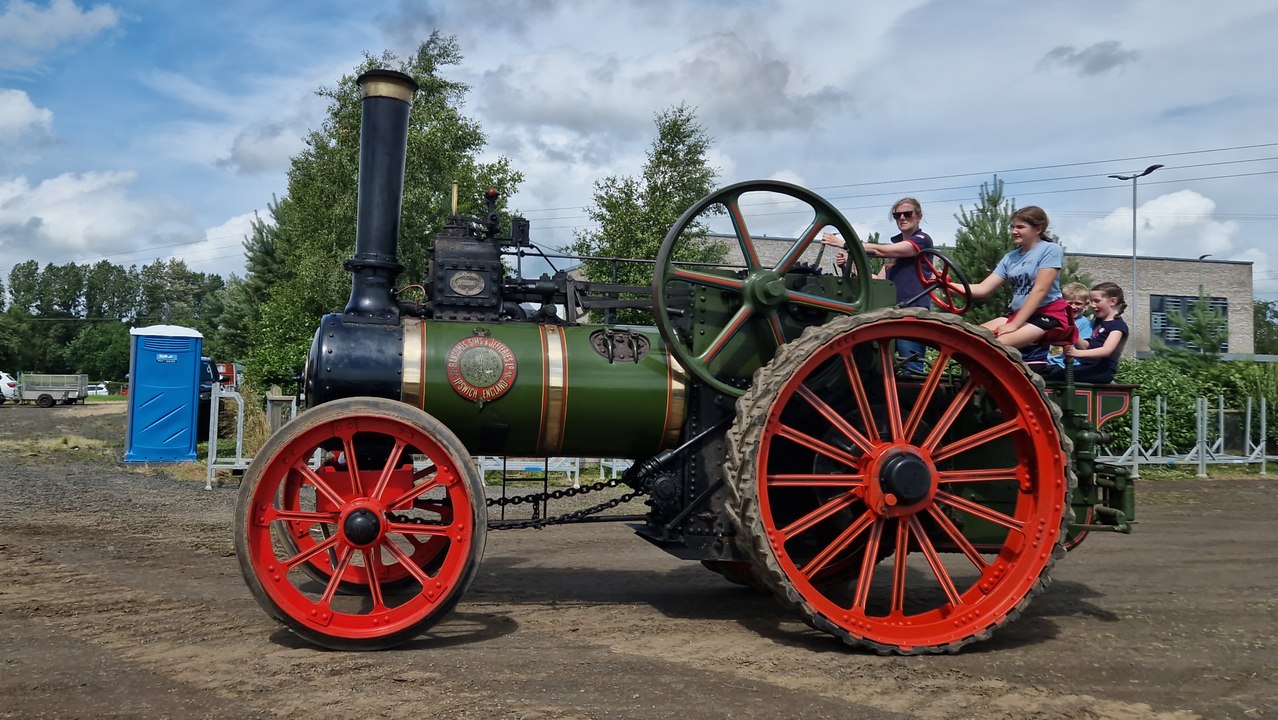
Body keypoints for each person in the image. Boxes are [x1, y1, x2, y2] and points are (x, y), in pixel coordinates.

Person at [822, 197, 933, 374]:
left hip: (912, 314)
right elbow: (879, 281)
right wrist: (849, 267)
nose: (902, 218)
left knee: (911, 369)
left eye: (907, 214)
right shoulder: (895, 255)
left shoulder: (921, 240)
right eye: (897, 215)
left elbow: (880, 250)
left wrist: (844, 243)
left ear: (919, 216)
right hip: (892, 315)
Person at [958, 206, 1071, 350]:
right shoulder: (1010, 258)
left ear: (1038, 229)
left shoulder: (1050, 249)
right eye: (1012, 227)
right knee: (966, 339)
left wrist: (1015, 324)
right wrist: (945, 284)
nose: (1014, 231)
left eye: (1020, 227)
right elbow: (982, 289)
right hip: (1020, 315)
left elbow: (1040, 290)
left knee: (991, 348)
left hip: (1047, 314)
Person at [1046, 282, 1129, 384]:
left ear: (1113, 301)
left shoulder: (1118, 326)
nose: (1092, 305)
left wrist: (1077, 353)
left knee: (1054, 376)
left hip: (1101, 371)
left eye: (1097, 301)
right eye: (1092, 301)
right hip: (1088, 367)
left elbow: (1106, 350)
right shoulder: (1098, 322)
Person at [1041, 282, 1094, 371]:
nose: (1073, 307)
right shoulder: (1058, 320)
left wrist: (1072, 328)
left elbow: (1084, 347)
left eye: (1078, 303)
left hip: (1070, 364)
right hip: (1051, 361)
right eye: (1069, 303)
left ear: (1086, 305)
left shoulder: (1085, 323)